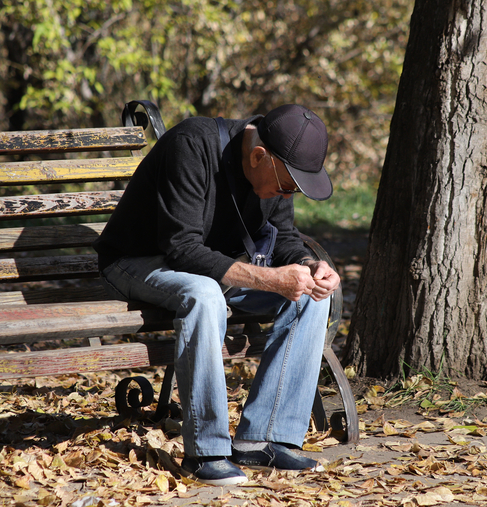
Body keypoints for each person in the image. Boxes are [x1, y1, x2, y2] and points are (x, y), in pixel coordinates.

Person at [93, 104, 341, 486]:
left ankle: (263, 439)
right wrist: (271, 280)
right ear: (259, 155)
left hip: (207, 267)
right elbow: (181, 248)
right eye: (288, 185)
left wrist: (310, 266)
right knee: (207, 294)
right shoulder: (191, 145)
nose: (288, 193)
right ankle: (205, 452)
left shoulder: (272, 170)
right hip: (135, 261)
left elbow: (286, 239)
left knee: (310, 295)